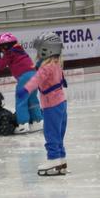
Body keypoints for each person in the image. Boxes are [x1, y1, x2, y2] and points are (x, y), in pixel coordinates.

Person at [22, 32, 68, 175]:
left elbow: (37, 79)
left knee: (50, 133)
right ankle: (61, 160)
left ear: (46, 49)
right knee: (59, 133)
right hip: (61, 104)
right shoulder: (56, 64)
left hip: (52, 106)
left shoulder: (46, 67)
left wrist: (25, 90)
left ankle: (53, 158)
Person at [0, 33, 43, 133]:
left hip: (24, 78)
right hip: (34, 75)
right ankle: (38, 121)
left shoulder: (9, 53)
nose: (0, 50)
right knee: (32, 99)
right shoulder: (19, 50)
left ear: (4, 46)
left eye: (0, 48)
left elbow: (1, 65)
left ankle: (23, 124)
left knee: (21, 100)